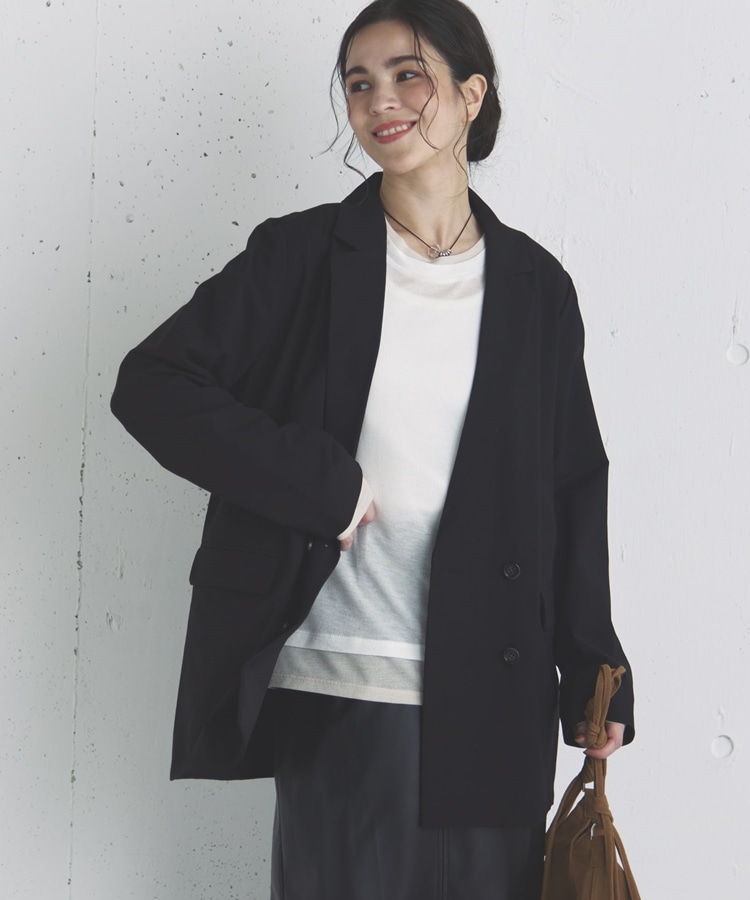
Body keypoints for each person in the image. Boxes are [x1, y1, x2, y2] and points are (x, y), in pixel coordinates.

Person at [111, 0, 635, 897]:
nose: (379, 100)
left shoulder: (535, 286)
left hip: (496, 681)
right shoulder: (301, 256)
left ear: (472, 95)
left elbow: (571, 482)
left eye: (407, 75)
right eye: (359, 83)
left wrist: (596, 663)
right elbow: (153, 383)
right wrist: (319, 485)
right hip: (345, 684)